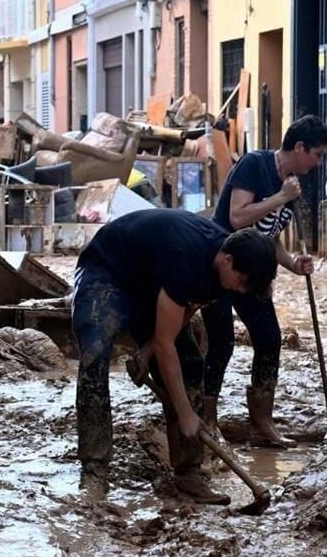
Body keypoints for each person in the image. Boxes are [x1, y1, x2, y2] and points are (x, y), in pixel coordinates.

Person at [72, 209, 277, 503]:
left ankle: (188, 473)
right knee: (95, 352)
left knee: (190, 364)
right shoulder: (188, 259)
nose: (242, 290)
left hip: (156, 283)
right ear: (227, 260)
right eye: (243, 282)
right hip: (108, 270)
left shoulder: (227, 272)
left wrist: (146, 352)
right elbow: (166, 342)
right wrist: (185, 413)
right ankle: (94, 468)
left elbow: (187, 308)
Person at [200, 115, 327, 447]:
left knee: (270, 338)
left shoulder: (293, 183)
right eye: (317, 154)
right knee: (221, 342)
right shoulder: (255, 165)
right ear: (299, 147)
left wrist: (292, 263)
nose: (318, 163)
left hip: (255, 271)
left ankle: (262, 422)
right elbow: (237, 217)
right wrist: (280, 197)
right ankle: (207, 420)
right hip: (224, 266)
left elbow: (269, 235)